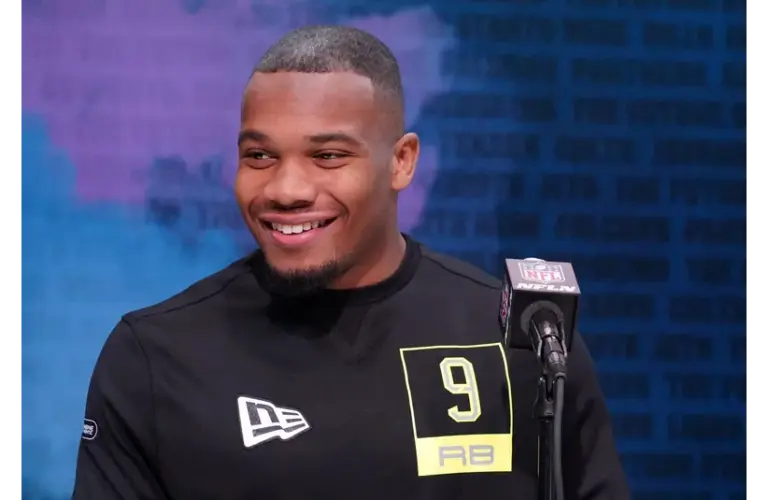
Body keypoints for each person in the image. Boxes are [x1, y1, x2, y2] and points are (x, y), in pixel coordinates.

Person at [72, 25, 630, 500]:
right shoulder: (155, 357)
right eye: (259, 156)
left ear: (402, 162)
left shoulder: (524, 340)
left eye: (328, 156)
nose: (286, 189)